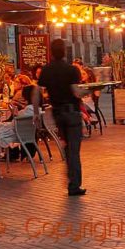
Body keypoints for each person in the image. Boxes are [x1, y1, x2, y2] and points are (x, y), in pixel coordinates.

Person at [36, 38, 88, 196]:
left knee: (67, 146)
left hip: (57, 113)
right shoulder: (72, 70)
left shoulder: (46, 70)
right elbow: (76, 92)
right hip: (71, 112)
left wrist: (35, 113)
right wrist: (90, 91)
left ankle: (70, 174)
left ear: (51, 51)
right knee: (74, 149)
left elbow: (36, 91)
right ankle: (74, 184)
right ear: (65, 51)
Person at [0, 85, 38, 149]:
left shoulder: (28, 109)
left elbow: (15, 124)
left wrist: (15, 114)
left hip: (16, 133)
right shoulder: (36, 108)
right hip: (23, 132)